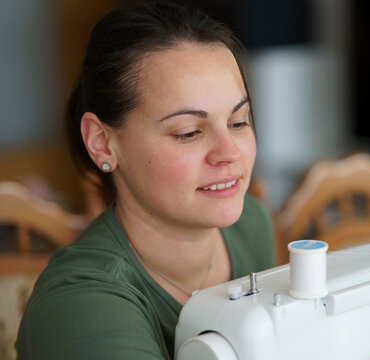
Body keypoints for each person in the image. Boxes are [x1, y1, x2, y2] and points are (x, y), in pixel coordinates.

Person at [16, 2, 275, 359]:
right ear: (103, 143)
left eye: (238, 121)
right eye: (188, 132)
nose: (229, 152)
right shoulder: (82, 304)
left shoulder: (250, 224)